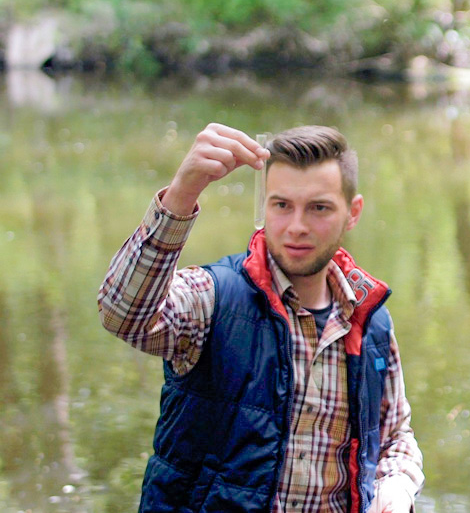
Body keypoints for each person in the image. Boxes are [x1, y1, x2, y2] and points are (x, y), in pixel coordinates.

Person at [98, 124, 423, 513]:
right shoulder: (214, 298)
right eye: (281, 205)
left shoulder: (371, 322)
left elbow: (395, 438)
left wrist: (396, 488)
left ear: (352, 213)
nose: (296, 226)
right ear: (264, 207)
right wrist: (183, 192)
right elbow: (123, 315)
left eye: (318, 208)